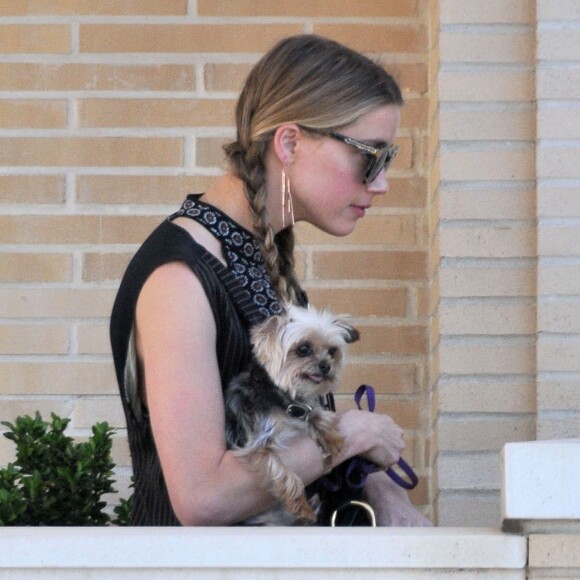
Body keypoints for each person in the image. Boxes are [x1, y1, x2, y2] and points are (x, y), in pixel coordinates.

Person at [110, 34, 431, 527]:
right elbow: (203, 498)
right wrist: (351, 434)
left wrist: (377, 485)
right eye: (371, 156)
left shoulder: (259, 262)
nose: (381, 182)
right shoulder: (180, 279)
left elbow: (290, 430)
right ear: (289, 143)